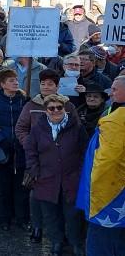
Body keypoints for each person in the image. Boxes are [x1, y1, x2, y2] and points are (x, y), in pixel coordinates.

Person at [15, 69, 78, 242]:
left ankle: (60, 233)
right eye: (43, 84)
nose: (46, 87)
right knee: (35, 195)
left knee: (60, 195)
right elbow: (21, 128)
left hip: (61, 159)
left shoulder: (68, 105)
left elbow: (76, 131)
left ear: (57, 86)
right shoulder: (31, 105)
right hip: (38, 158)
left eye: (50, 84)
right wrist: (30, 145)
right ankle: (36, 227)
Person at [25, 94, 88, 256]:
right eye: (51, 108)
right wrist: (35, 171)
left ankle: (76, 244)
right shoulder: (38, 128)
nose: (55, 110)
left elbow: (85, 152)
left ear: (64, 108)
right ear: (46, 110)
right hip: (46, 178)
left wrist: (81, 174)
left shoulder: (77, 127)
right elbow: (31, 151)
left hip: (72, 179)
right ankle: (56, 243)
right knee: (51, 215)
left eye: (59, 107)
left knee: (73, 215)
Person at [76, 76, 125, 255]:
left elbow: (107, 161)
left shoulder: (115, 121)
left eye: (115, 89)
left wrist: (94, 189)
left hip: (109, 194)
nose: (111, 93)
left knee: (102, 242)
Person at [0, 69, 29, 231]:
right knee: (2, 186)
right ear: (2, 84)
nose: (15, 83)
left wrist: (23, 139)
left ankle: (21, 218)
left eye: (16, 80)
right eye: (11, 80)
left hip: (20, 149)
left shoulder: (23, 100)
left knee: (20, 186)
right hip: (2, 150)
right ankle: (4, 218)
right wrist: (0, 139)